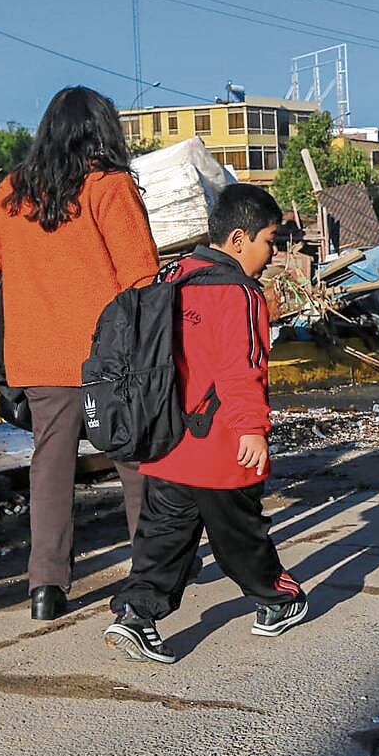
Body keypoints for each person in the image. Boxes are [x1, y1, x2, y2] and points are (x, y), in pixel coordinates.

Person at [0, 86, 159, 621]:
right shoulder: (109, 185)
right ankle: (148, 573)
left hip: (37, 358)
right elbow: (141, 276)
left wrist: (34, 274)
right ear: (104, 130)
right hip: (108, 358)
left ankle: (45, 588)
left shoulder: (15, 188)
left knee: (50, 467)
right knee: (134, 460)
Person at [102, 184, 306, 664]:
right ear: (238, 239)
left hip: (166, 441)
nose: (271, 252)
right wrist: (252, 428)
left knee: (163, 538)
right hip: (220, 446)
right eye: (269, 240)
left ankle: (135, 613)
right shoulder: (239, 294)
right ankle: (278, 600)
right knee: (240, 535)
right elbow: (242, 367)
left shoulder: (173, 278)